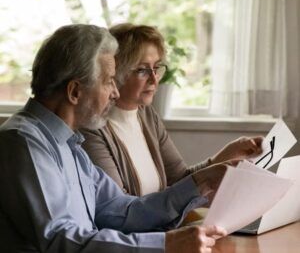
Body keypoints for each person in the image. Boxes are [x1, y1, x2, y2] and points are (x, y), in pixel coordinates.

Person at [0, 24, 228, 253]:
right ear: (75, 91)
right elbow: (59, 239)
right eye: (109, 81)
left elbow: (122, 210)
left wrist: (200, 183)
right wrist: (165, 245)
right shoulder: (23, 143)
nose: (115, 92)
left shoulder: (70, 146)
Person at [81, 23, 263, 196]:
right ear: (115, 72)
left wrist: (229, 153)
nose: (154, 78)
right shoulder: (93, 129)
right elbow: (120, 208)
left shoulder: (147, 115)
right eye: (143, 70)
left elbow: (179, 180)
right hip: (142, 229)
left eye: (157, 67)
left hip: (165, 225)